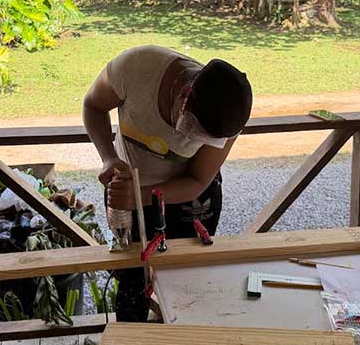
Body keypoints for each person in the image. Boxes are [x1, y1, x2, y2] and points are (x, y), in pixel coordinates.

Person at [83, 45, 252, 322]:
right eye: (191, 131)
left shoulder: (229, 112)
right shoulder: (137, 68)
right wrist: (109, 159)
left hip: (187, 195)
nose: (194, 141)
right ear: (182, 94)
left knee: (189, 283)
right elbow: (93, 105)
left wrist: (141, 195)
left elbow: (197, 180)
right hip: (129, 186)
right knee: (133, 284)